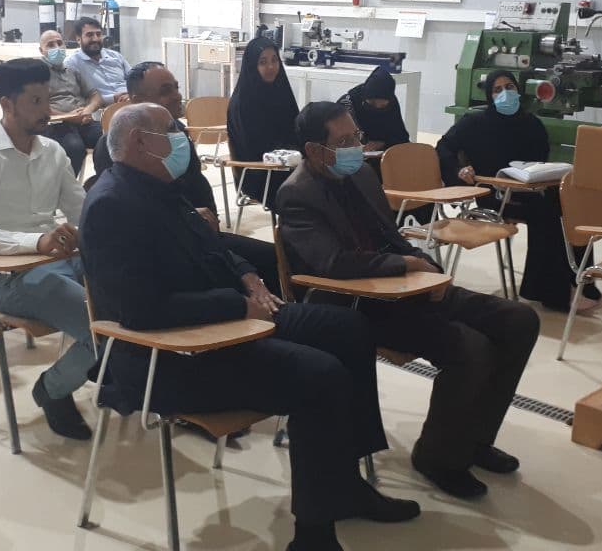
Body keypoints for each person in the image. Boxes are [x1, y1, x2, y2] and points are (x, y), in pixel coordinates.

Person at [81, 102, 420, 551]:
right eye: (172, 129)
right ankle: (314, 535)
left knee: (349, 328)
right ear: (141, 142)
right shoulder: (112, 205)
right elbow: (141, 310)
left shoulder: (161, 186)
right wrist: (237, 305)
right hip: (169, 355)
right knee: (320, 376)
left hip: (224, 320)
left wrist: (248, 277)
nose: (182, 136)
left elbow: (215, 247)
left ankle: (344, 483)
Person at [278, 101, 541, 501]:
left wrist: (428, 267)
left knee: (518, 320)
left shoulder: (361, 174)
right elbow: (332, 263)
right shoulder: (297, 194)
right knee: (471, 347)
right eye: (344, 141)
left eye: (357, 137)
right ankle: (438, 457)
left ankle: (474, 439)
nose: (356, 148)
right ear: (315, 150)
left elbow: (392, 236)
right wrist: (403, 265)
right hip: (357, 305)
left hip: (405, 289)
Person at [0, 58, 95, 440]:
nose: (46, 110)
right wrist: (37, 242)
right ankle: (53, 388)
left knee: (135, 302)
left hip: (63, 263)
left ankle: (129, 382)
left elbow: (81, 211)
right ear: (7, 104)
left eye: (47, 99)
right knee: (104, 327)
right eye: (35, 101)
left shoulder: (53, 151)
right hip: (11, 280)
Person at [92, 61, 281, 292]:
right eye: (165, 91)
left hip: (200, 232)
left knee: (276, 258)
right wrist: (188, 216)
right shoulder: (116, 148)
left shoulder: (178, 134)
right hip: (166, 243)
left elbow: (197, 185)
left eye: (176, 87)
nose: (177, 96)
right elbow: (135, 211)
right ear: (137, 100)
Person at [435, 69, 601, 312]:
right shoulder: (474, 123)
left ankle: (581, 282)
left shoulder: (530, 123)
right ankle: (553, 293)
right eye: (497, 90)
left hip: (528, 189)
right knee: (546, 213)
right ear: (490, 96)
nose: (505, 93)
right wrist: (459, 170)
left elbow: (540, 158)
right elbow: (443, 147)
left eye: (509, 87)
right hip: (494, 195)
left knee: (570, 205)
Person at [227, 36, 300, 202]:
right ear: (252, 65)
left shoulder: (281, 92)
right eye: (263, 62)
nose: (271, 67)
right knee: (311, 185)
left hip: (286, 164)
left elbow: (295, 129)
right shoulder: (242, 102)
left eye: (274, 60)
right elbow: (254, 148)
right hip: (259, 173)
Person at [39, 29, 102, 175]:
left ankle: (104, 181)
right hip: (57, 123)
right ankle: (66, 186)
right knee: (74, 148)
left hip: (83, 120)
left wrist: (88, 110)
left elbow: (96, 96)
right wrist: (69, 116)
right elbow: (38, 105)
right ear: (41, 50)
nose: (57, 48)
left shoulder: (72, 71)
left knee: (109, 140)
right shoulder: (38, 73)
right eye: (50, 45)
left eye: (60, 43)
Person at [337, 66, 410, 151]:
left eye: (383, 106)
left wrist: (381, 143)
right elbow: (337, 140)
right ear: (364, 97)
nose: (377, 108)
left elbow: (401, 138)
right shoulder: (347, 104)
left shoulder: (391, 104)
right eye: (372, 103)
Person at [64, 16, 130, 109]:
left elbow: (134, 80)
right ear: (78, 39)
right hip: (101, 110)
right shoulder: (72, 64)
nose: (95, 39)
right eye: (89, 35)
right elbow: (76, 97)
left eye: (98, 34)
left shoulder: (115, 56)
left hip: (130, 102)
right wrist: (112, 98)